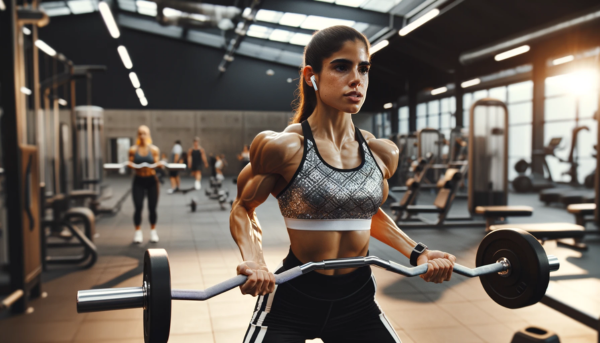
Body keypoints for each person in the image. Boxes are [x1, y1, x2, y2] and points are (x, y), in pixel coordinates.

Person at [230, 26, 456, 342]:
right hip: (293, 297)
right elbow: (243, 207)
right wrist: (254, 263)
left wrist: (417, 252)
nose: (356, 79)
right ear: (312, 75)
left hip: (357, 300)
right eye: (341, 67)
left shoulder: (380, 152)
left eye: (363, 68)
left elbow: (365, 211)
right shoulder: (283, 148)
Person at [129, 125, 160, 244]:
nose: (142, 136)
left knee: (152, 208)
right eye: (140, 133)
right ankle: (138, 232)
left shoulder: (154, 150)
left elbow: (156, 163)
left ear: (148, 135)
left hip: (152, 181)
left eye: (144, 133)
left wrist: (159, 165)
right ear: (138, 135)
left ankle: (153, 231)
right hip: (139, 181)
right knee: (138, 207)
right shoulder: (133, 149)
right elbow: (131, 163)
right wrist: (130, 165)